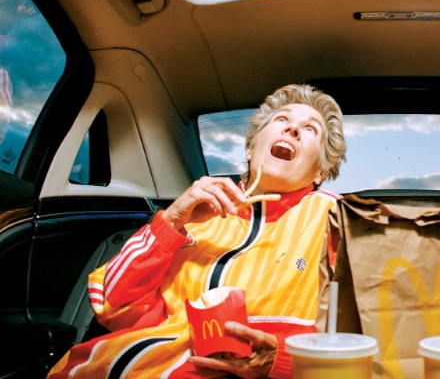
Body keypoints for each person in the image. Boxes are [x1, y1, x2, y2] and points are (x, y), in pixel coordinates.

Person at [48, 84, 347, 378]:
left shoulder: (336, 220)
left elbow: (362, 335)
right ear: (250, 149)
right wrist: (171, 222)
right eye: (282, 119)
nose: (292, 129)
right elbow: (114, 307)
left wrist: (281, 361)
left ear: (320, 171)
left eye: (310, 129)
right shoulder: (195, 214)